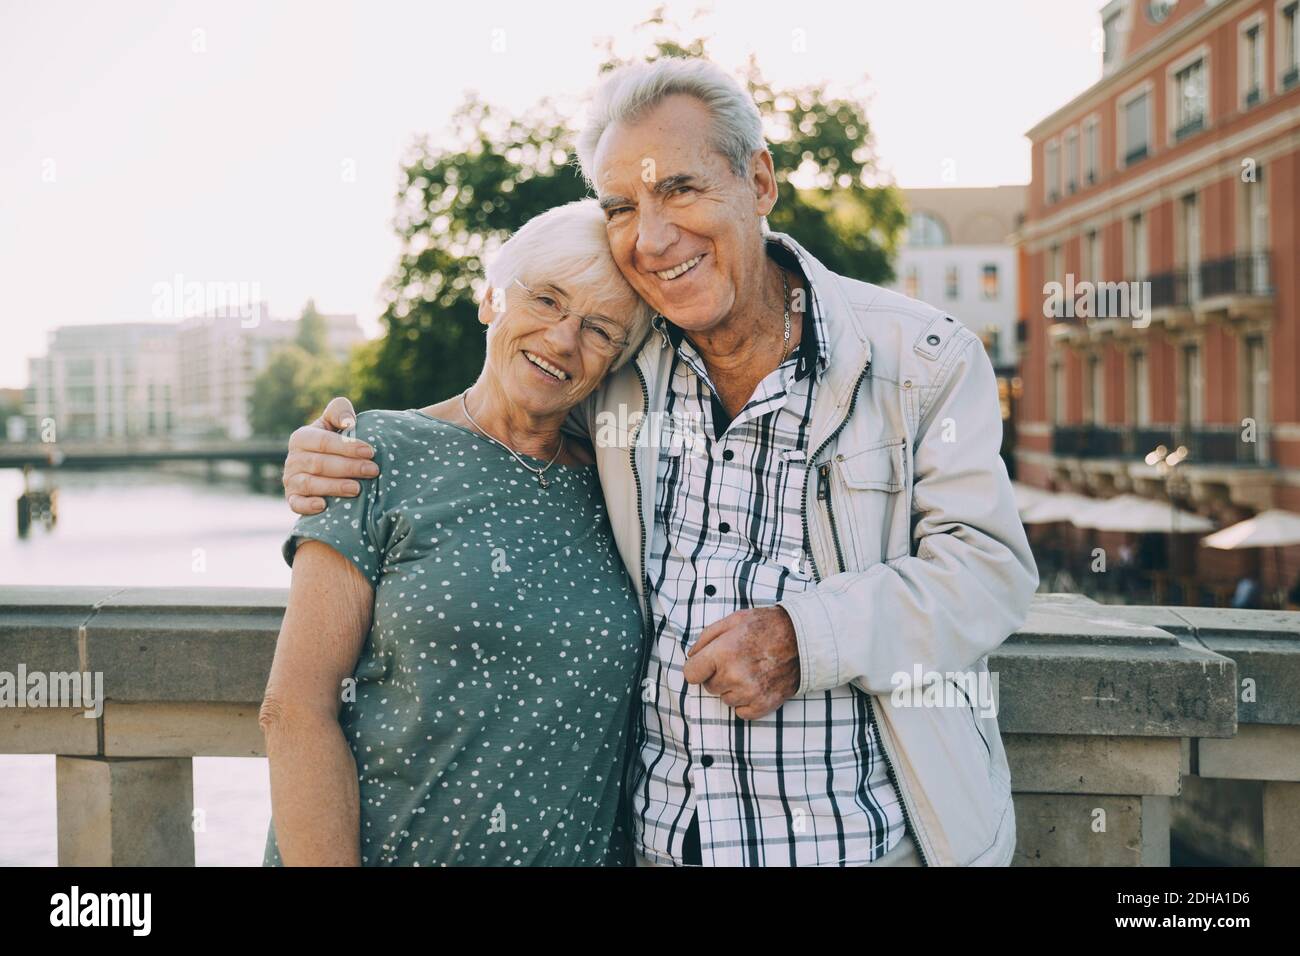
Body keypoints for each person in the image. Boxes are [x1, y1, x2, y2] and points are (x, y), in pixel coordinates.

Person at [282, 57, 1038, 866]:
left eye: (679, 189)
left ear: (759, 180)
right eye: (621, 206)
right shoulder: (622, 361)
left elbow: (988, 572)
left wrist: (802, 636)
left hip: (857, 846)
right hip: (655, 850)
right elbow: (498, 416)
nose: (650, 237)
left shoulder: (920, 357)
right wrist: (333, 448)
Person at [259, 199, 654, 865]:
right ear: (491, 298)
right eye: (548, 300)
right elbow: (296, 710)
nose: (563, 339)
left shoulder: (622, 488)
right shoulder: (371, 453)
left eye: (599, 329)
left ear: (619, 358)